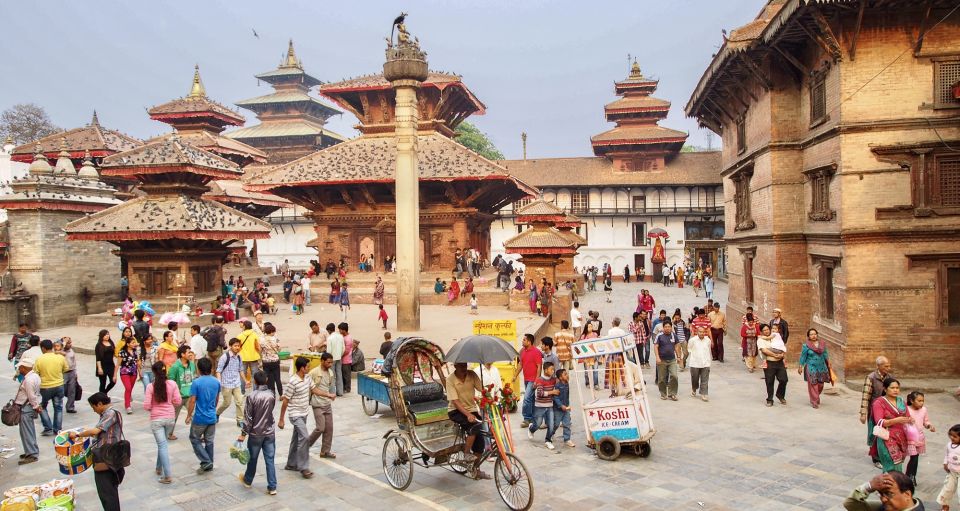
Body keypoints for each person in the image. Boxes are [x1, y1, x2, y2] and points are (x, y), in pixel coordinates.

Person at [69, 392, 126, 511]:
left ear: (100, 404)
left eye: (93, 407)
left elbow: (95, 431)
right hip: (109, 455)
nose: (94, 410)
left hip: (106, 457)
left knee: (107, 493)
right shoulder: (108, 414)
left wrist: (78, 434)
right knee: (109, 492)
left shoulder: (110, 413)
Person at [238, 370, 278, 495]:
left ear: (255, 381)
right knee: (270, 459)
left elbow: (248, 417)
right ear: (266, 380)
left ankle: (248, 480)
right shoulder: (271, 395)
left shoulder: (252, 396)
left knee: (253, 458)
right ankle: (272, 486)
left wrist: (243, 434)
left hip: (256, 433)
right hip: (269, 431)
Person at [446, 362, 487, 477]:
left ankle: (475, 469)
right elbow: (455, 401)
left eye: (465, 365)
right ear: (455, 366)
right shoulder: (450, 379)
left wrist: (489, 395)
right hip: (455, 411)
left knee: (480, 443)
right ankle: (466, 453)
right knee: (473, 427)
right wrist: (468, 414)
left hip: (472, 409)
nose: (464, 368)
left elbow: (482, 389)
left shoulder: (472, 375)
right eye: (461, 366)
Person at [143, 361, 182, 484]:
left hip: (157, 419)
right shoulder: (172, 384)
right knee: (163, 444)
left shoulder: (150, 386)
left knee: (162, 445)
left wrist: (153, 408)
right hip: (170, 418)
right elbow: (178, 401)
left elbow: (147, 405)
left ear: (154, 372)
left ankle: (168, 475)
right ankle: (158, 467)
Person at [185, 357, 220, 474]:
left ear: (199, 369)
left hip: (200, 417)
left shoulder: (196, 382)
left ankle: (206, 460)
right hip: (212, 416)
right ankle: (209, 462)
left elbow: (192, 400)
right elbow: (216, 399)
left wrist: (189, 415)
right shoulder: (216, 381)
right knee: (209, 440)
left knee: (194, 438)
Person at [280, 357, 313, 479]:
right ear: (301, 368)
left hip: (304, 412)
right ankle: (304, 467)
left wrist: (328, 395)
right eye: (307, 366)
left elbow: (314, 389)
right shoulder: (293, 382)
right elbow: (285, 401)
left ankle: (291, 464)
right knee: (304, 437)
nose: (309, 368)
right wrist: (281, 419)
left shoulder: (308, 378)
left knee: (296, 438)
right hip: (295, 414)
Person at [871, 377, 912, 473]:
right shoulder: (879, 402)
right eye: (892, 388)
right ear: (885, 389)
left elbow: (907, 416)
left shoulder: (901, 401)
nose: (895, 390)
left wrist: (910, 420)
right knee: (890, 467)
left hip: (901, 438)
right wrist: (896, 420)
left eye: (897, 388)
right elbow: (879, 422)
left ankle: (896, 486)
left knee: (898, 466)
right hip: (886, 438)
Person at [861, 356, 895, 468]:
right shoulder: (871, 377)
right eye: (886, 366)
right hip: (874, 411)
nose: (888, 368)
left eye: (889, 366)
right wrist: (863, 413)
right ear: (878, 366)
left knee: (886, 432)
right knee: (875, 433)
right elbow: (866, 396)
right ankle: (876, 458)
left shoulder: (890, 377)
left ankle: (884, 454)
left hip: (887, 410)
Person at [33, 339, 68, 435]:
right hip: (59, 385)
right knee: (58, 407)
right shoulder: (60, 357)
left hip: (45, 387)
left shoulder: (39, 359)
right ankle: (57, 429)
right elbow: (66, 369)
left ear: (43, 348)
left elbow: (35, 373)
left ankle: (48, 427)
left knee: (42, 407)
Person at [307, 352, 337, 459]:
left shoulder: (330, 372)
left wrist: (332, 394)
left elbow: (331, 386)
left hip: (327, 404)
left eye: (331, 362)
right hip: (317, 404)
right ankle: (305, 446)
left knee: (329, 428)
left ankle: (325, 451)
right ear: (322, 361)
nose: (330, 364)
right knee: (320, 428)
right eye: (328, 362)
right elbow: (312, 389)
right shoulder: (313, 373)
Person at [844, 472, 923, 511]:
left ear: (907, 494)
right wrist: (869, 486)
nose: (883, 499)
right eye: (881, 494)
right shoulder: (890, 507)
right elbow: (851, 504)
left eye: (889, 494)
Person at [13, 357, 41, 465]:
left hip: (26, 408)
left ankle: (32, 453)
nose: (19, 369)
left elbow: (31, 396)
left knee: (27, 431)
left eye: (20, 367)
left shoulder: (29, 380)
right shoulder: (35, 376)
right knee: (28, 430)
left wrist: (36, 406)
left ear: (24, 368)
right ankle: (30, 451)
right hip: (28, 407)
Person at [527, 362, 559, 450]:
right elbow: (540, 393)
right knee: (537, 424)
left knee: (551, 424)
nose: (553, 371)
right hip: (539, 406)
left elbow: (559, 382)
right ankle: (531, 428)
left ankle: (548, 441)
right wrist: (552, 392)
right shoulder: (540, 380)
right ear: (545, 370)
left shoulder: (553, 379)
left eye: (553, 369)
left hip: (549, 405)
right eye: (551, 369)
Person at [167, 344, 197, 440]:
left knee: (194, 415)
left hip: (190, 396)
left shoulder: (192, 365)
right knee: (173, 417)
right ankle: (169, 433)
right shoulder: (175, 367)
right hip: (178, 397)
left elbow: (194, 377)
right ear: (182, 354)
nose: (190, 354)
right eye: (188, 352)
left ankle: (196, 434)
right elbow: (170, 382)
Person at [905, 391, 935, 485]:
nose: (921, 403)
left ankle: (912, 475)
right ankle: (909, 476)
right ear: (911, 400)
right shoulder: (906, 410)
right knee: (913, 456)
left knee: (916, 457)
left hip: (920, 437)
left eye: (923, 401)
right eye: (919, 401)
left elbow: (926, 421)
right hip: (909, 437)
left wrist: (929, 426)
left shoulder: (924, 410)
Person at [797, 328, 831, 408]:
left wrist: (828, 362)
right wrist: (800, 366)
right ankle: (814, 401)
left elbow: (825, 353)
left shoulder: (822, 344)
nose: (813, 336)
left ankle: (815, 396)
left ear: (817, 335)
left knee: (821, 384)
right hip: (811, 367)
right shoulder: (806, 346)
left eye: (815, 334)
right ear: (808, 336)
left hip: (822, 367)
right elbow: (803, 357)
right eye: (811, 334)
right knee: (813, 384)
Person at [216, 338, 245, 428]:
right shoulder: (224, 357)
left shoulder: (239, 357)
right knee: (226, 403)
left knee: (239, 402)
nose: (237, 347)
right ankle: (217, 414)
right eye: (235, 346)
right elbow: (218, 370)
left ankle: (240, 420)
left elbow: (240, 370)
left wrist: (245, 380)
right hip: (226, 384)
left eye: (238, 346)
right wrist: (219, 382)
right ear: (230, 346)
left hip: (236, 383)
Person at [758, 323, 788, 407]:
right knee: (769, 381)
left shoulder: (776, 336)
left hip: (780, 362)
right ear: (761, 332)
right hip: (769, 363)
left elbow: (782, 347)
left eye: (768, 329)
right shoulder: (761, 340)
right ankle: (770, 399)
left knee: (784, 379)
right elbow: (764, 350)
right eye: (764, 330)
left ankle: (780, 395)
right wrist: (775, 355)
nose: (767, 331)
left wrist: (781, 355)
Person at [519, 333, 543, 429]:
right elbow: (521, 365)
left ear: (529, 341)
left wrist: (537, 380)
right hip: (526, 379)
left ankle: (526, 418)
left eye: (524, 340)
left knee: (526, 398)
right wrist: (514, 376)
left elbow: (539, 367)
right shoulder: (522, 352)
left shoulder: (536, 352)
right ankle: (533, 417)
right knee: (531, 399)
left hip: (533, 380)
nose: (522, 341)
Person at [654, 321, 680, 401]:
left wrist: (678, 356)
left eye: (669, 327)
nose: (667, 328)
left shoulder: (674, 335)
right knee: (661, 378)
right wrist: (657, 357)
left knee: (674, 376)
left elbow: (676, 346)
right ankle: (663, 394)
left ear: (671, 327)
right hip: (662, 360)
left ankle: (673, 394)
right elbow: (656, 346)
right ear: (663, 327)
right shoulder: (659, 335)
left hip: (672, 359)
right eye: (666, 327)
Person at [937, 424, 960, 510]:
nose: (952, 437)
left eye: (955, 436)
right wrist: (945, 463)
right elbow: (947, 455)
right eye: (951, 435)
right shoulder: (949, 445)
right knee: (947, 489)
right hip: (952, 473)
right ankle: (945, 506)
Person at [688, 324, 712, 402]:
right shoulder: (692, 340)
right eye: (700, 332)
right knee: (694, 379)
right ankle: (694, 389)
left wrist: (708, 360)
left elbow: (708, 350)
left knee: (705, 379)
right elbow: (689, 348)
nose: (702, 333)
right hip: (695, 363)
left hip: (705, 362)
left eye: (703, 332)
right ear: (697, 332)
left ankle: (704, 394)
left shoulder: (708, 340)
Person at [116, 336, 140, 414]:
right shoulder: (122, 352)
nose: (134, 344)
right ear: (128, 344)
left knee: (129, 389)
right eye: (133, 343)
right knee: (128, 388)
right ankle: (127, 406)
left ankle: (128, 398)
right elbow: (117, 364)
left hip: (134, 372)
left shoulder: (135, 352)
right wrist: (114, 375)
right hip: (124, 372)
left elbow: (137, 363)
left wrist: (140, 372)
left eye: (134, 342)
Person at [552, 368, 575, 448]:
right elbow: (555, 398)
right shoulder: (557, 386)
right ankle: (551, 433)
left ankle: (567, 439)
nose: (567, 375)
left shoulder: (567, 383)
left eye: (567, 374)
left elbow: (567, 396)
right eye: (565, 374)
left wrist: (567, 406)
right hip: (558, 409)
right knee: (556, 424)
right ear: (560, 377)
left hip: (566, 408)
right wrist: (561, 405)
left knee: (567, 424)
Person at [260, 322, 282, 396]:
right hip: (275, 361)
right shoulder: (276, 339)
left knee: (269, 379)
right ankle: (281, 394)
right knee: (278, 379)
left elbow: (260, 350)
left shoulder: (262, 339)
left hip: (266, 362)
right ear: (272, 331)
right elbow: (279, 350)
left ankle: (272, 394)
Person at [237, 320, 262, 386]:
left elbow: (237, 346)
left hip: (243, 357)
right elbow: (258, 346)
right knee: (254, 375)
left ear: (244, 326)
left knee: (243, 374)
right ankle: (255, 391)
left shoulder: (240, 335)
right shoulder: (255, 335)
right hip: (254, 357)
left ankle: (242, 393)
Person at [94, 329, 118, 394]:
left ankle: (105, 393)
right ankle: (102, 397)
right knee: (102, 383)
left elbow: (114, 353)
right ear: (101, 336)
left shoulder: (111, 342)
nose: (107, 336)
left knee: (113, 381)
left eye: (108, 334)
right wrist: (99, 368)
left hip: (111, 365)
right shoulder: (98, 345)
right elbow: (98, 358)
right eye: (105, 335)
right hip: (102, 365)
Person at [326, 323, 344, 396]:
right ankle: (340, 392)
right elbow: (343, 348)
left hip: (331, 359)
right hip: (339, 358)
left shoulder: (329, 338)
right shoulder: (340, 336)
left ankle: (332, 392)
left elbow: (329, 351)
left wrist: (328, 360)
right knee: (339, 374)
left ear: (329, 330)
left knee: (332, 375)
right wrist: (340, 355)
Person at [339, 322, 353, 393]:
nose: (339, 331)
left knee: (346, 375)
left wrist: (339, 355)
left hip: (346, 360)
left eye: (340, 330)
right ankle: (344, 387)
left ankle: (347, 388)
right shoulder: (343, 337)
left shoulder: (348, 339)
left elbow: (346, 351)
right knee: (343, 375)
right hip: (343, 360)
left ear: (344, 330)